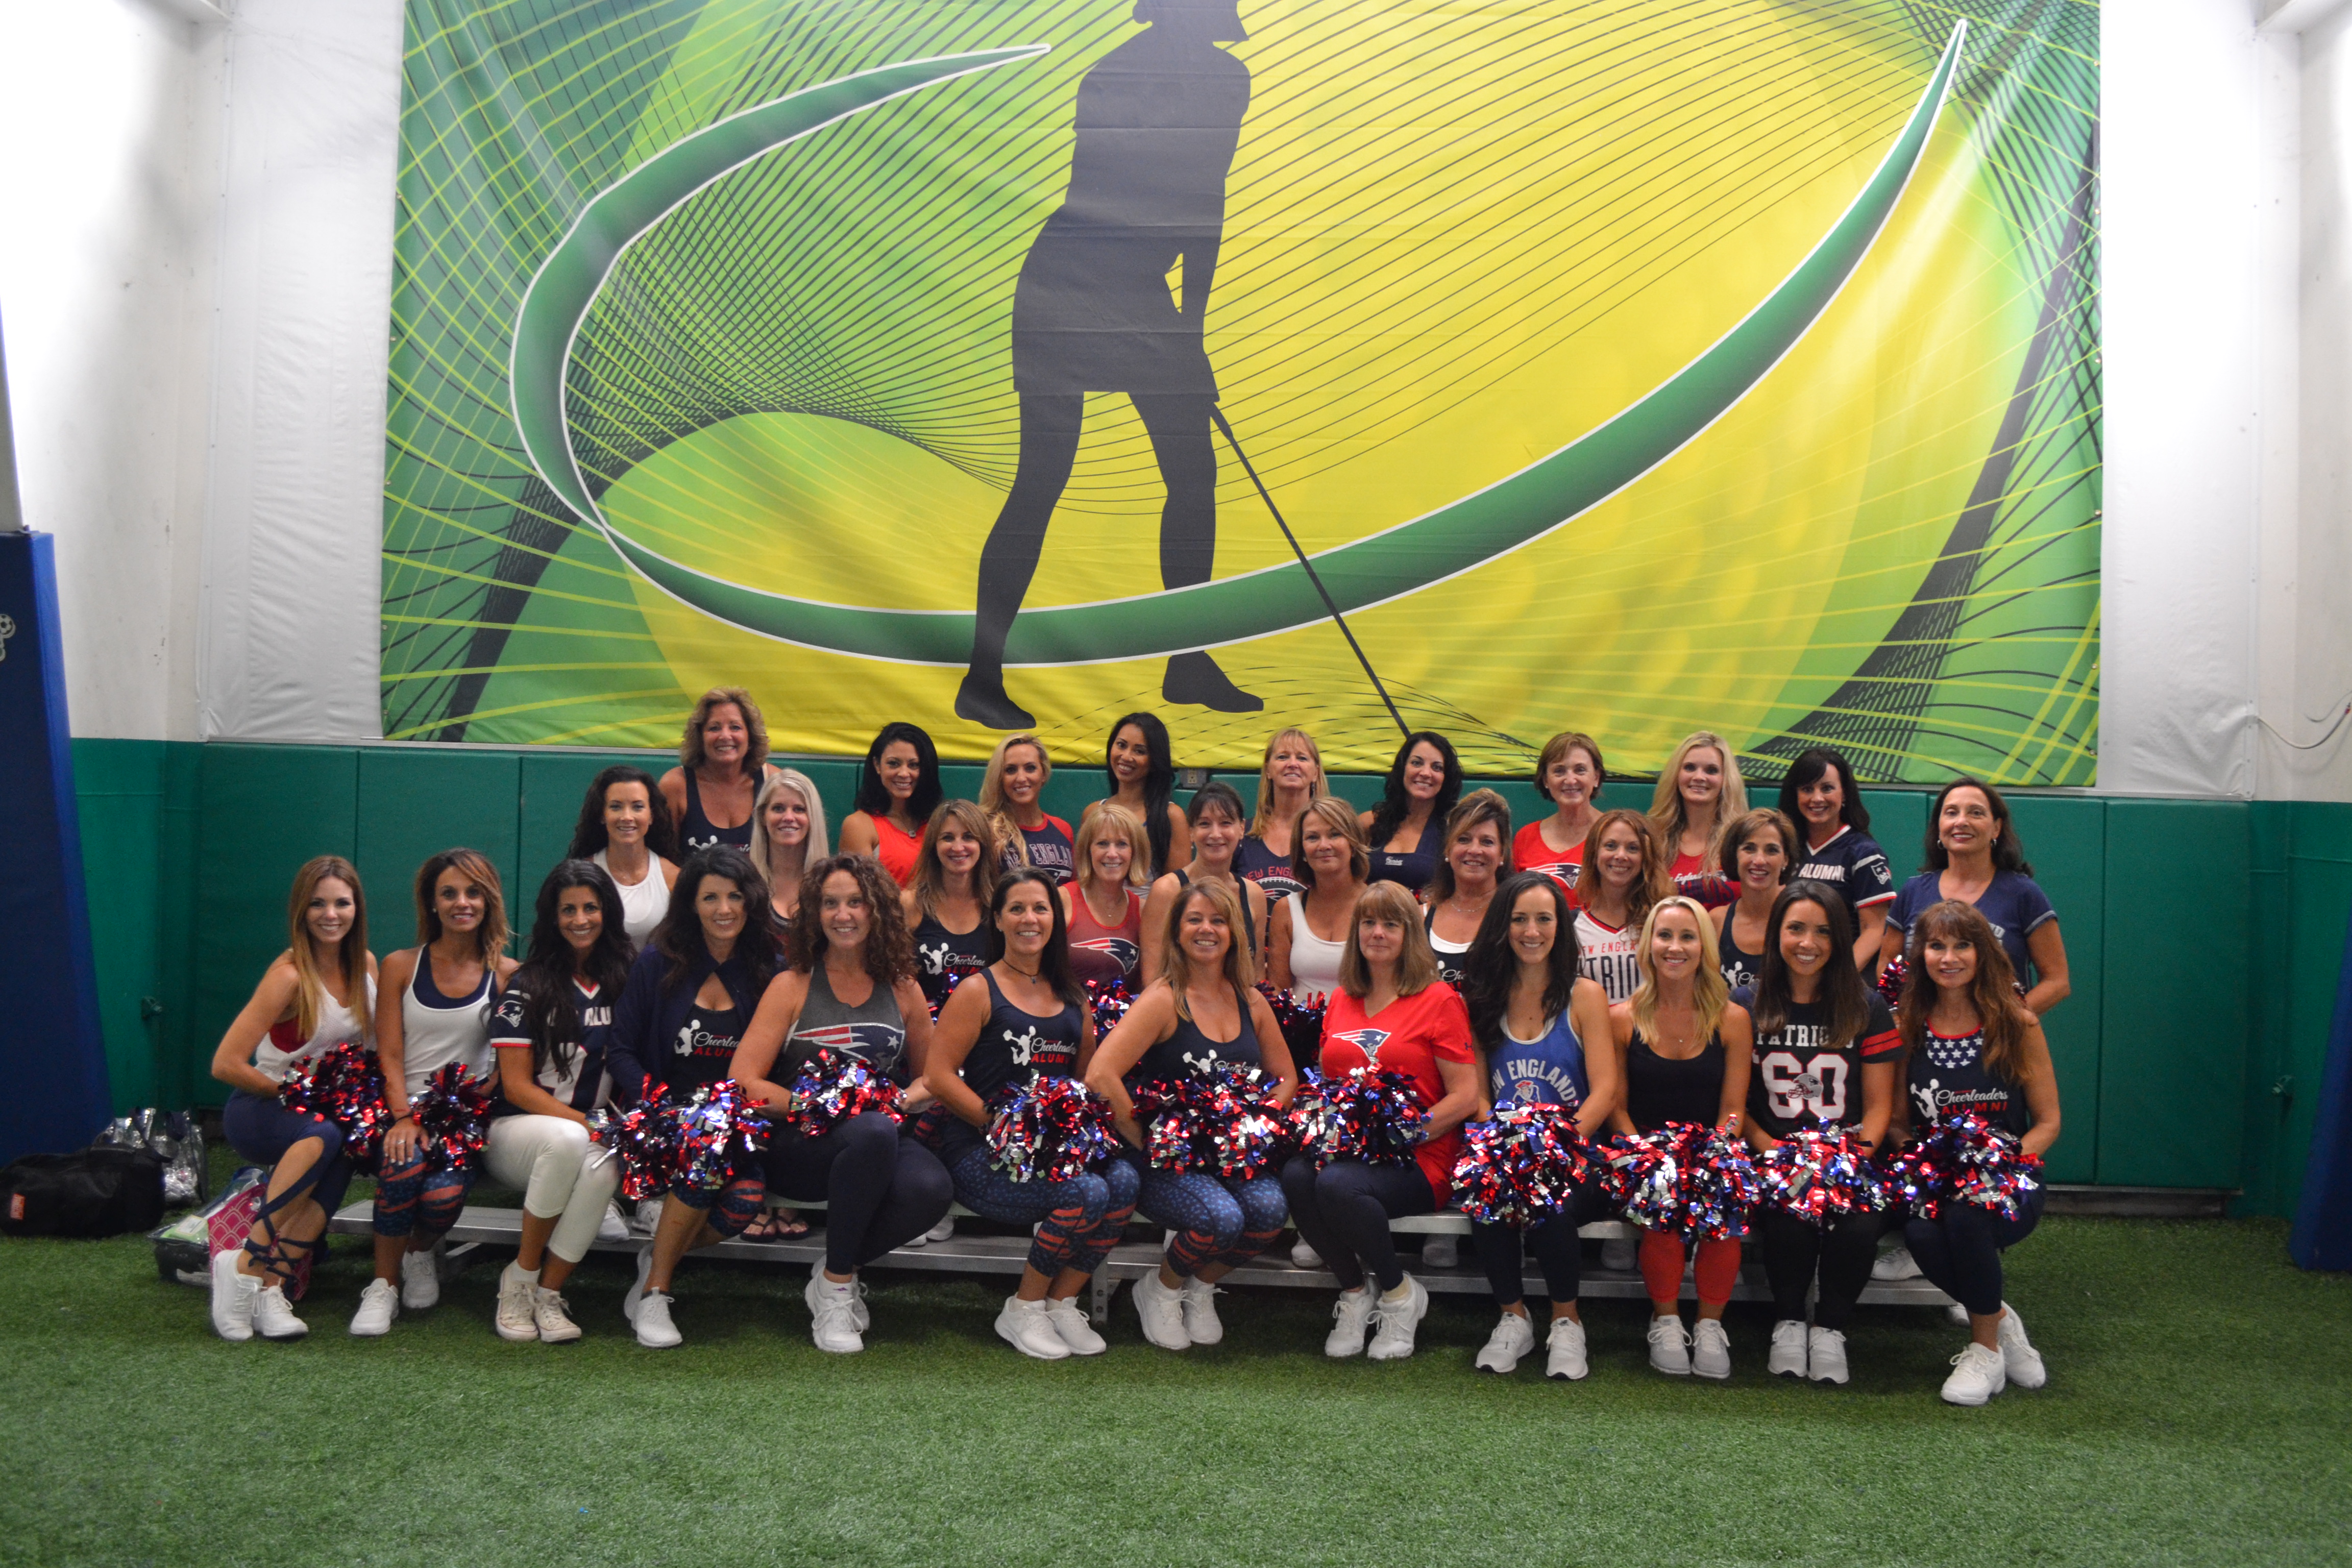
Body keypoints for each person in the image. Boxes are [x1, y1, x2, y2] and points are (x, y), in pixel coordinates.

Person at [954, 0, 1261, 728]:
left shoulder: (1226, 79)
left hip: (1137, 290)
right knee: (1043, 479)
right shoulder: (1114, 75)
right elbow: (1128, 204)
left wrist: (1190, 331)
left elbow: (1205, 206)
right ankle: (982, 675)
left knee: (1193, 472)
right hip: (1068, 285)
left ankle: (1187, 660)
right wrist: (1178, 336)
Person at [729, 855, 955, 1353]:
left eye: (855, 902)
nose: (844, 914)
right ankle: (836, 1290)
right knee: (872, 1131)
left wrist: (905, 1097)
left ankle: (835, 1270)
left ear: (877, 911)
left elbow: (931, 1076)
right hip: (799, 1146)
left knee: (932, 1188)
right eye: (830, 903)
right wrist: (824, 1106)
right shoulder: (791, 985)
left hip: (875, 1141)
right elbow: (743, 1082)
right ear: (814, 913)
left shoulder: (904, 989)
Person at [927, 872, 1140, 1359]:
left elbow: (1087, 1081)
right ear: (998, 920)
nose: (1030, 919)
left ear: (1055, 920)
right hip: (983, 1154)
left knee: (1124, 1180)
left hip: (1053, 1154)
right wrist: (1001, 1128)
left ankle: (1061, 1300)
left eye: (1040, 909)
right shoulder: (977, 991)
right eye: (1017, 909)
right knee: (1085, 1192)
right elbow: (939, 1076)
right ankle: (1023, 1307)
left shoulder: (1073, 996)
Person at [1086, 877, 1297, 1350]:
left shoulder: (1251, 999)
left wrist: (1255, 1127)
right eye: (1195, 920)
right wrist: (1146, 1138)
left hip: (1229, 1157)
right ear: (1177, 932)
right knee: (1220, 1218)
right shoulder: (1164, 997)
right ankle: (1159, 1290)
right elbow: (1101, 1074)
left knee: (1269, 1212)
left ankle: (1198, 1287)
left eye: (1219, 920)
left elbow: (1286, 1079)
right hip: (1169, 1162)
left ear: (1234, 932)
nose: (1207, 930)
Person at [1283, 882, 1481, 1361]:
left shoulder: (1439, 999)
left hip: (1421, 1158)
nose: (1378, 933)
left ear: (1410, 934)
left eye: (1391, 924)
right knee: (1295, 1175)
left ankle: (1398, 1294)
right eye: (1369, 923)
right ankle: (1355, 1292)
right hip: (1352, 1153)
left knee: (1337, 1186)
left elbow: (1466, 1095)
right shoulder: (1342, 999)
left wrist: (1404, 1134)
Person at [607, 846, 779, 1348]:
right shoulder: (659, 961)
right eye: (710, 898)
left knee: (744, 1203)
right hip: (664, 1123)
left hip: (738, 1128)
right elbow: (620, 1050)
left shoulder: (768, 966)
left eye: (734, 896)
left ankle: (656, 1257)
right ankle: (658, 1291)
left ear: (750, 902)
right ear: (691, 904)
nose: (724, 909)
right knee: (704, 1156)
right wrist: (661, 1108)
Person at [1896, 899, 2061, 1407]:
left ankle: (1984, 1349)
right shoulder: (1908, 1027)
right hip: (1938, 1178)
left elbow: (2049, 1123)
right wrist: (1921, 1164)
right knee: (1922, 1230)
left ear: (1983, 953)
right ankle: (2002, 1320)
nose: (1949, 957)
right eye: (1937, 946)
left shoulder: (2017, 1024)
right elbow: (1900, 1122)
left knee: (1969, 1217)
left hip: (2008, 1179)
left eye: (1962, 945)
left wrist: (2000, 1168)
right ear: (1920, 955)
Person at [206, 856, 378, 1342]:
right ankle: (242, 1265)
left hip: (325, 1118)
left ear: (356, 908)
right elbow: (226, 1063)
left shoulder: (366, 966)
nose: (331, 914)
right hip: (262, 1109)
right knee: (325, 1132)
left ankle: (272, 1288)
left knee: (342, 1142)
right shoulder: (287, 977)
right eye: (318, 904)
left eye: (342, 903)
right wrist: (299, 1092)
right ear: (301, 911)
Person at [1733, 880, 1898, 1385]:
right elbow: (1734, 1102)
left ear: (1840, 939)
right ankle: (1787, 1322)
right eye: (1796, 928)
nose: (1809, 942)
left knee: (1860, 1222)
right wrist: (1776, 1155)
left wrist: (1849, 1162)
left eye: (1823, 931)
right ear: (1775, 933)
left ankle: (1830, 1328)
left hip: (1846, 1155)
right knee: (1787, 1217)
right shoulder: (1746, 1002)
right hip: (1773, 1153)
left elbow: (1878, 1107)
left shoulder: (1866, 1006)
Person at [1456, 872, 1618, 1380]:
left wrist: (1557, 1148)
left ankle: (1567, 1323)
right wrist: (1500, 1147)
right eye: (1519, 919)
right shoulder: (1481, 997)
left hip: (1577, 1153)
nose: (1532, 930)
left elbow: (1606, 1090)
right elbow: (1480, 1093)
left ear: (1559, 927)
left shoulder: (1585, 994)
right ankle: (1514, 1318)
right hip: (1506, 1149)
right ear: (1502, 927)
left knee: (1551, 1207)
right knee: (1489, 1199)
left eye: (1544, 919)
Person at [356, 849, 518, 1337]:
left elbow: (514, 1057)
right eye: (448, 893)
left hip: (462, 1122)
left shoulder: (509, 973)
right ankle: (382, 1286)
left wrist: (493, 1086)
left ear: (489, 901)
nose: (461, 903)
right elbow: (388, 1053)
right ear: (431, 902)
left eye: (472, 893)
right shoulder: (400, 967)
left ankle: (420, 1251)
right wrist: (402, 1116)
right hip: (403, 1108)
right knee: (403, 1166)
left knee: (443, 1200)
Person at [481, 861, 631, 1344]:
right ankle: (520, 1279)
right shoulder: (527, 984)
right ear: (552, 916)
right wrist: (591, 1125)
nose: (580, 919)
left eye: (591, 907)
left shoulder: (623, 978)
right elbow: (517, 1087)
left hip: (585, 1134)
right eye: (568, 910)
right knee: (571, 1140)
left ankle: (549, 1292)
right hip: (518, 1132)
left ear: (607, 912)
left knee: (604, 1168)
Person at [1606, 895, 1753, 1379]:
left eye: (1687, 937)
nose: (1675, 947)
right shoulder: (1621, 1018)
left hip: (1711, 1149)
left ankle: (1710, 1324)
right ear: (1648, 946)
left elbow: (1734, 1108)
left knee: (1723, 1202)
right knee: (1663, 1203)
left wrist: (1718, 1152)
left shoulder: (1733, 1019)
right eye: (1665, 936)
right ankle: (1666, 1319)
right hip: (1642, 1154)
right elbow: (1618, 1107)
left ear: (1705, 948)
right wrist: (1647, 1156)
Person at [1880, 777, 2070, 1016]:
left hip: (1997, 1046)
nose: (1961, 822)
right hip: (1922, 1042)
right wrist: (1901, 1016)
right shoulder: (1913, 891)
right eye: (1951, 813)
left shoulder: (2023, 893)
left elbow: (2057, 981)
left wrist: (2010, 1022)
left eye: (1976, 813)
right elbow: (1887, 962)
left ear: (1996, 828)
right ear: (1939, 825)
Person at [1778, 747, 1896, 968]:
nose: (1817, 798)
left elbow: (1875, 930)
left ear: (1844, 795)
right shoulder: (1782, 848)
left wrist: (1839, 981)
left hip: (1841, 981)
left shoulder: (1865, 853)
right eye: (1807, 789)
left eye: (1827, 788)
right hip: (1790, 974)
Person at [1141, 781, 1269, 981]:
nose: (1216, 834)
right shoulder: (1167, 891)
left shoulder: (1254, 895)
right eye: (1205, 824)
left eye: (1226, 823)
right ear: (1191, 832)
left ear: (1242, 828)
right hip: (1179, 1009)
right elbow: (1152, 978)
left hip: (1238, 1009)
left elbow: (1257, 976)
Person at [1265, 796, 1369, 1001]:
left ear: (1353, 843)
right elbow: (1279, 991)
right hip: (1300, 1032)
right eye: (1313, 838)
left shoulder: (1380, 906)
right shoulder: (1286, 909)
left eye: (1335, 834)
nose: (1324, 845)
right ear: (1302, 849)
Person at [903, 799, 1000, 1016]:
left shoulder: (999, 907)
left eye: (968, 837)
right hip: (924, 1031)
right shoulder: (910, 904)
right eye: (948, 838)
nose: (958, 847)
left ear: (982, 844)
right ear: (933, 846)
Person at [566, 765, 679, 950]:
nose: (627, 817)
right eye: (616, 807)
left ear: (652, 815)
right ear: (602, 815)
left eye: (638, 807)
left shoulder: (674, 878)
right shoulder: (580, 876)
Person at [659, 688, 783, 853]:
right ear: (700, 737)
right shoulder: (675, 785)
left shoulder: (773, 782)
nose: (725, 736)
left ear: (750, 736)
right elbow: (661, 860)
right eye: (714, 728)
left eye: (735, 727)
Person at [1571, 809, 1672, 1003]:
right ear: (1594, 854)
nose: (1621, 856)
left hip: (1649, 1032)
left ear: (1646, 858)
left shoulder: (1662, 919)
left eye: (1633, 848)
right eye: (1611, 846)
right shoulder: (1571, 925)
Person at [1422, 789, 1512, 987]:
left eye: (1487, 842)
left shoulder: (1515, 915)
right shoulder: (1420, 917)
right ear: (1448, 849)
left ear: (1502, 854)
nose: (1474, 850)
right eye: (1464, 839)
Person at [839, 722, 943, 887]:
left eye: (914, 765)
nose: (904, 773)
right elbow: (865, 898)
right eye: (894, 763)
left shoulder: (939, 823)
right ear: (877, 765)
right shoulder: (859, 826)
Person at [1361, 730, 1462, 892]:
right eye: (1417, 763)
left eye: (1437, 767)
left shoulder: (1456, 830)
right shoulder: (1369, 823)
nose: (1425, 773)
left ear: (1446, 777)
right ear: (1403, 768)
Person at [1236, 726, 1328, 902]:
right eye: (1282, 757)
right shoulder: (1242, 834)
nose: (1293, 764)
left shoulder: (1331, 838)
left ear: (1315, 773)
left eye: (1302, 758)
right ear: (1268, 770)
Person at [1093, 711, 1190, 878]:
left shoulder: (1172, 817)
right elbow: (1085, 881)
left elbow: (1177, 893)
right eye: (1122, 745)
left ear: (1154, 761)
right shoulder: (1093, 812)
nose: (1126, 757)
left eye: (1139, 751)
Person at [1647, 730, 1750, 886]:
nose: (1699, 777)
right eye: (1690, 768)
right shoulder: (1652, 838)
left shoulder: (1743, 838)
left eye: (1711, 770)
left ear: (1726, 779)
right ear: (1676, 775)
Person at [1711, 808, 1798, 993]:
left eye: (1772, 850)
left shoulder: (1801, 919)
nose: (1759, 860)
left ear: (1786, 860)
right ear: (1735, 856)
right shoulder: (1716, 921)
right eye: (1749, 849)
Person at [1063, 802, 1148, 986]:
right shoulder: (1061, 900)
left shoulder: (1144, 911)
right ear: (1088, 850)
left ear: (1135, 852)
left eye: (1122, 844)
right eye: (1102, 844)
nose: (1112, 854)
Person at [1511, 731, 1605, 887]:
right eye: (1559, 771)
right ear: (1546, 780)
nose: (1570, 780)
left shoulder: (1613, 834)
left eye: (1580, 770)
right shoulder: (1525, 838)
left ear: (1596, 777)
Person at [982, 732, 1076, 886]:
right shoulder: (987, 829)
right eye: (1011, 770)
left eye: (1030, 768)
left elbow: (1073, 892)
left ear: (1043, 774)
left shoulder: (1063, 829)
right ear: (1000, 777)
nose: (1021, 778)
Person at [750, 767, 831, 942]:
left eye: (799, 809)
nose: (788, 817)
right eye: (778, 809)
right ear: (763, 816)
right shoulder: (745, 881)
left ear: (813, 818)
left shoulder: (831, 883)